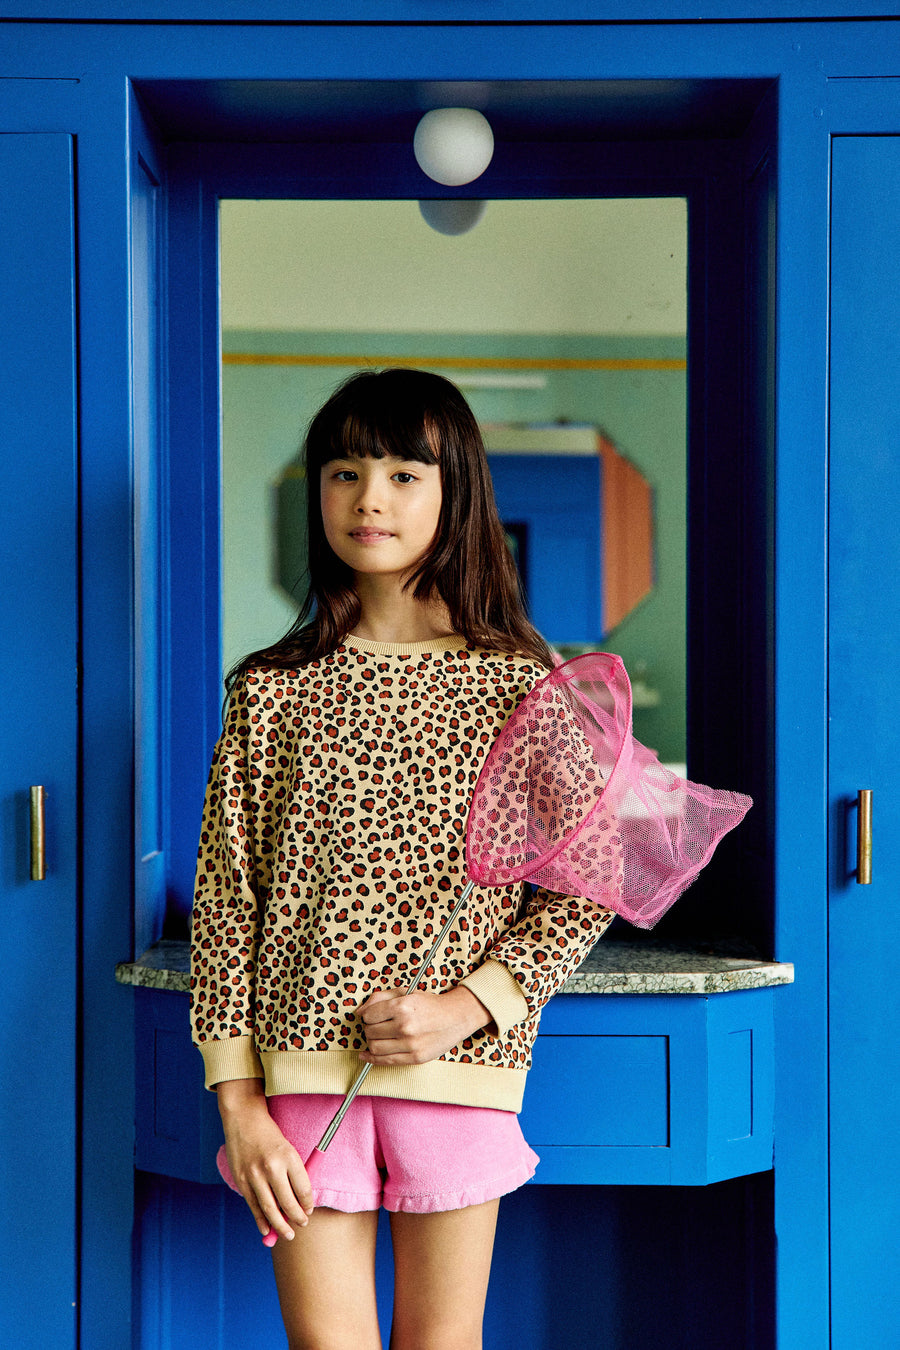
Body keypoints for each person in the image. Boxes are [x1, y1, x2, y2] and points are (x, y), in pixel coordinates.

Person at [190, 368, 616, 1349]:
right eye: (344, 472)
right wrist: (240, 1106)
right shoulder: (271, 689)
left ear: (455, 491)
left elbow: (588, 883)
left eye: (402, 474)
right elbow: (227, 905)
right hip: (298, 1084)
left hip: (462, 1070)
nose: (368, 498)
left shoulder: (520, 683)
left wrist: (468, 1005)